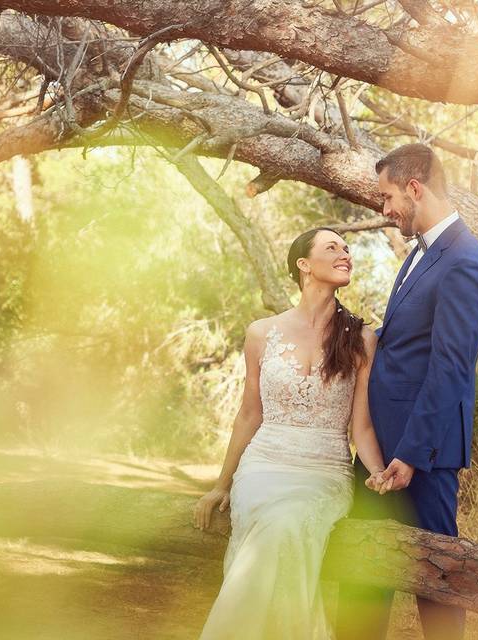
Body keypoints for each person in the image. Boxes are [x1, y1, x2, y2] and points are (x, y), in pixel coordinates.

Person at [194, 227, 388, 640]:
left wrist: (376, 470)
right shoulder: (261, 333)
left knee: (287, 522)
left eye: (348, 249)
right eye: (332, 247)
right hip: (263, 466)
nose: (345, 254)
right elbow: (249, 414)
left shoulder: (361, 339)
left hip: (323, 472)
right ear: (303, 265)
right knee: (273, 520)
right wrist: (220, 484)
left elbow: (362, 425)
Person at [337, 144, 478, 640]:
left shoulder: (465, 260)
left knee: (437, 579)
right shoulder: (422, 254)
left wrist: (410, 454)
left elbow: (450, 367)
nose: (385, 210)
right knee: (364, 576)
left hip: (420, 455)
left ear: (414, 188)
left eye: (387, 198)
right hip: (380, 450)